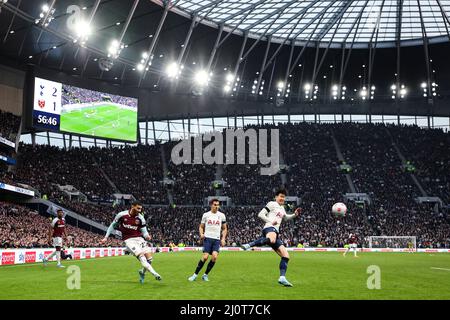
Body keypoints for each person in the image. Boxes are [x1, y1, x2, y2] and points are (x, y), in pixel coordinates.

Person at [242, 189, 301, 287]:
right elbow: (260, 214)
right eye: (281, 196)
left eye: (284, 197)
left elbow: (285, 218)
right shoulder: (271, 204)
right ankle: (249, 245)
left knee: (286, 256)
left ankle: (282, 277)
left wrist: (295, 215)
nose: (282, 198)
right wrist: (270, 221)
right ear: (276, 197)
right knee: (272, 239)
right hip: (269, 228)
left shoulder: (282, 208)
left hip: (275, 232)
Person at [101, 201, 161, 284]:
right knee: (142, 258)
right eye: (138, 208)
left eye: (141, 209)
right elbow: (112, 226)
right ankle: (155, 274)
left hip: (139, 239)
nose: (140, 210)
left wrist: (147, 236)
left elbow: (144, 231)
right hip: (129, 240)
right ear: (132, 206)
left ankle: (142, 272)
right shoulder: (122, 215)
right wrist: (106, 237)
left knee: (150, 260)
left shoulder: (141, 218)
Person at [188, 199, 227, 282]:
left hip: (216, 239)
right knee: (205, 257)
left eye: (218, 205)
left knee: (214, 257)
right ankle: (194, 275)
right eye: (215, 205)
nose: (217, 206)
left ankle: (205, 275)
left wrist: (223, 238)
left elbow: (224, 228)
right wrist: (201, 234)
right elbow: (201, 226)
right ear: (211, 205)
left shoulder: (222, 215)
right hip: (208, 238)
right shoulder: (206, 215)